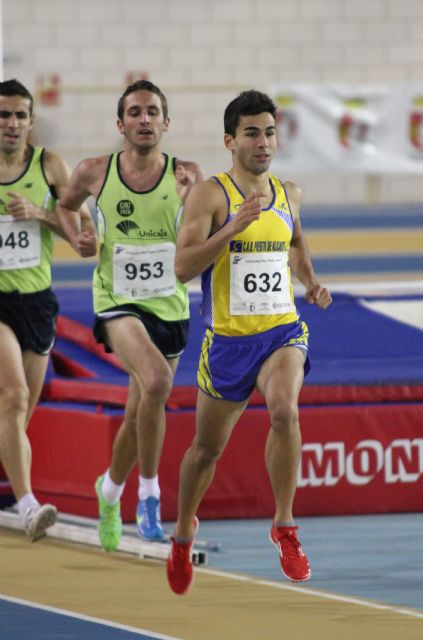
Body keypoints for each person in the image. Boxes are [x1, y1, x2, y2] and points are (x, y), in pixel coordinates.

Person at [167, 89, 332, 595]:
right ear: (229, 140)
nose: (264, 142)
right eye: (252, 133)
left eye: (270, 132)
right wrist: (230, 230)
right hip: (229, 345)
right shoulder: (210, 196)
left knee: (285, 410)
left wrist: (310, 281)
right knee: (204, 452)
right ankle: (180, 534)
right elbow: (182, 268)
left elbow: (296, 245)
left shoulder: (289, 192)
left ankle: (284, 526)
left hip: (282, 330)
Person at [56, 80, 204, 550]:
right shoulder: (94, 173)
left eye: (152, 112)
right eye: (135, 112)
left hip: (170, 304)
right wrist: (80, 235)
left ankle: (109, 489)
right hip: (116, 301)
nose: (144, 119)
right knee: (158, 382)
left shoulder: (188, 177)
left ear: (166, 123)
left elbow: (201, 236)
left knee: (140, 410)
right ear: (120, 124)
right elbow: (65, 209)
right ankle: (149, 497)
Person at [0, 78, 96, 542]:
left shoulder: (50, 166)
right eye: (3, 115)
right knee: (14, 397)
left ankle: (14, 493)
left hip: (36, 302)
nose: (11, 124)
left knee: (19, 412)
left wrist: (38, 214)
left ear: (32, 122)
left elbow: (79, 239)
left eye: (19, 115)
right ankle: (28, 505)